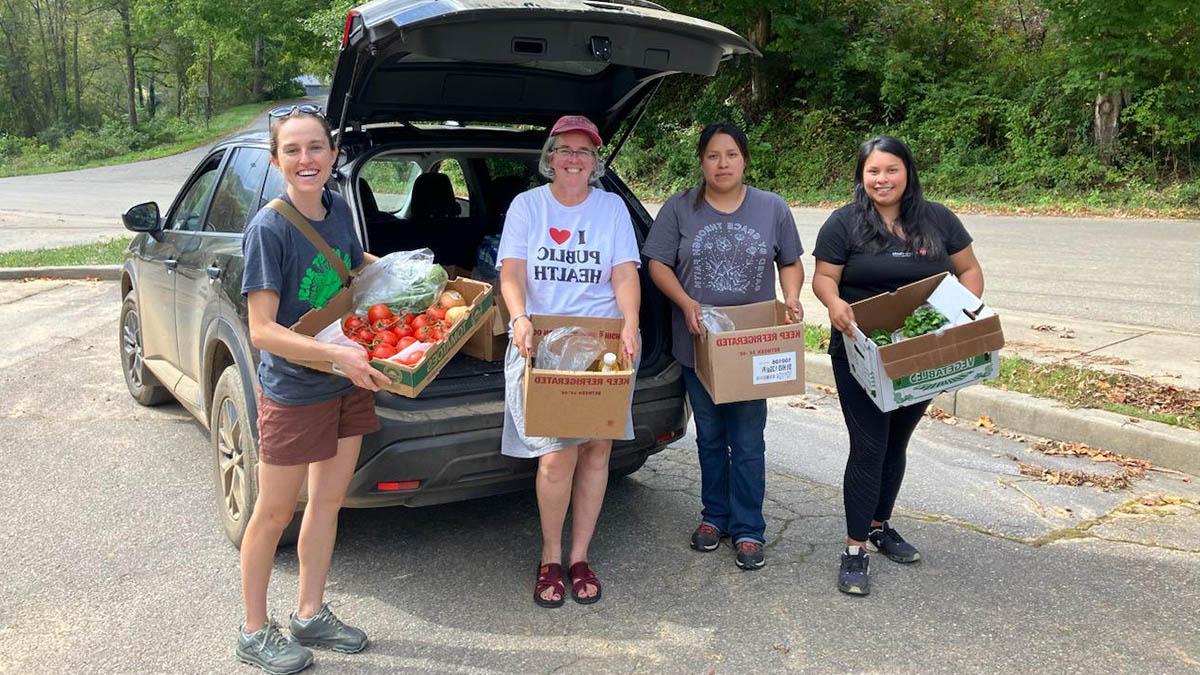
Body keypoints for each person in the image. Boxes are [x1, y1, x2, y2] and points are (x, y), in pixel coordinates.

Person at [236, 104, 391, 672]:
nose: (307, 159)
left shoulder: (337, 208)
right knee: (275, 512)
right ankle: (254, 631)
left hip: (346, 381)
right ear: (277, 161)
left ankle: (310, 612)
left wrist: (410, 276)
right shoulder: (269, 228)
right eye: (293, 150)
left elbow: (352, 269)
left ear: (332, 155)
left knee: (328, 501)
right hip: (298, 389)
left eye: (316, 148)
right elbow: (261, 330)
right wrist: (334, 355)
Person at [811, 135, 985, 596]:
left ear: (907, 172)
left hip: (920, 351)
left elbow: (969, 270)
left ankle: (878, 525)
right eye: (873, 171)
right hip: (859, 351)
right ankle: (853, 550)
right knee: (869, 446)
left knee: (895, 444)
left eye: (891, 170)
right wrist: (834, 304)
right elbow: (824, 278)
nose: (881, 179)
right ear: (861, 176)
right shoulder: (843, 223)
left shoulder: (937, 219)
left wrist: (964, 308)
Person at [642, 121, 804, 571]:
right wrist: (685, 302)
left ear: (744, 159)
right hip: (698, 342)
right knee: (710, 438)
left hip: (751, 346)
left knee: (748, 440)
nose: (722, 164)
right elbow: (657, 263)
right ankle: (715, 517)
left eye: (731, 154)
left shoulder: (771, 208)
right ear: (701, 161)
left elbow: (790, 262)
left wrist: (790, 298)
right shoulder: (680, 208)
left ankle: (749, 528)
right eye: (713, 155)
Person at [497, 115, 641, 608]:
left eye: (585, 151)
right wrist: (518, 318)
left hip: (602, 343)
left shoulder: (612, 208)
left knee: (597, 449)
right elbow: (512, 272)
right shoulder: (527, 207)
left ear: (595, 161)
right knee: (556, 456)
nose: (575, 159)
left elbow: (625, 272)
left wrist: (630, 322)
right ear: (550, 157)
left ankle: (580, 556)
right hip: (543, 342)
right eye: (566, 150)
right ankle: (550, 557)